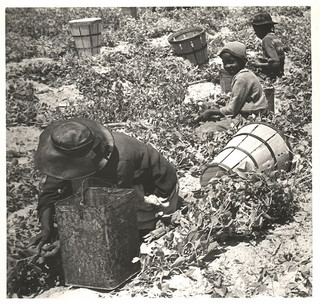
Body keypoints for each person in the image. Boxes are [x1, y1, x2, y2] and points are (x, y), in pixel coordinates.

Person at [28, 118, 179, 256]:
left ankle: (150, 222)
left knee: (113, 236)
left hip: (153, 191)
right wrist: (46, 228)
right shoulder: (74, 151)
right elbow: (50, 192)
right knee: (74, 190)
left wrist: (69, 241)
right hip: (116, 183)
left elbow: (116, 214)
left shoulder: (120, 162)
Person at [195, 42, 268, 129]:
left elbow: (232, 110)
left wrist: (211, 112)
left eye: (231, 62)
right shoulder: (245, 73)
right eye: (224, 63)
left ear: (242, 61)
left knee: (206, 128)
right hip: (252, 112)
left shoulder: (242, 78)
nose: (228, 66)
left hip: (251, 116)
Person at [251, 11, 286, 81]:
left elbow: (276, 63)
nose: (255, 33)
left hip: (271, 75)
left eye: (256, 30)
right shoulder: (274, 37)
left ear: (261, 29)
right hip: (279, 73)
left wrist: (258, 64)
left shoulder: (266, 40)